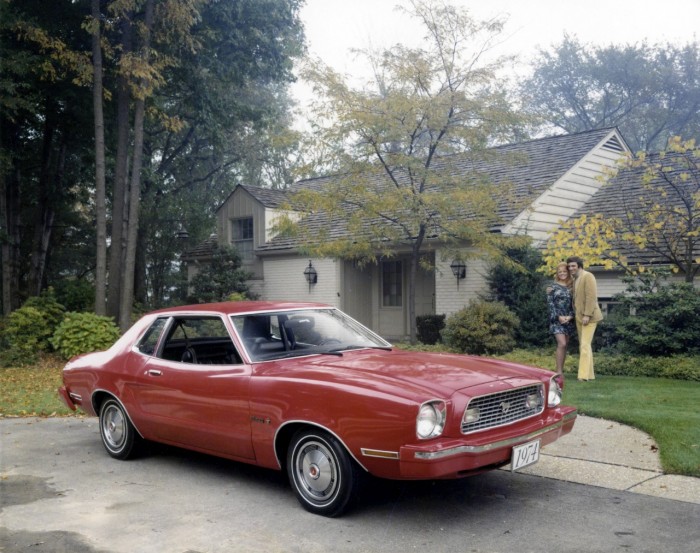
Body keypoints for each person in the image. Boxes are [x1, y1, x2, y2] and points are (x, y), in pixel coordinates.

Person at [566, 256, 603, 381]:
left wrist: (587, 314)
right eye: (569, 266)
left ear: (579, 265)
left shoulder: (588, 276)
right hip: (579, 316)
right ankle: (590, 375)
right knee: (585, 345)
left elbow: (591, 297)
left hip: (590, 317)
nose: (571, 268)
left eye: (573, 266)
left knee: (584, 345)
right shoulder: (576, 279)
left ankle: (582, 376)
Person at [546, 262, 575, 376]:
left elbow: (575, 303)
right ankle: (558, 371)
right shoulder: (552, 287)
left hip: (569, 319)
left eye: (564, 271)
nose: (562, 274)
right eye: (560, 272)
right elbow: (550, 304)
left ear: (568, 272)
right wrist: (558, 316)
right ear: (557, 273)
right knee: (561, 343)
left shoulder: (572, 286)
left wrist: (571, 316)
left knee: (565, 345)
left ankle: (561, 371)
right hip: (557, 319)